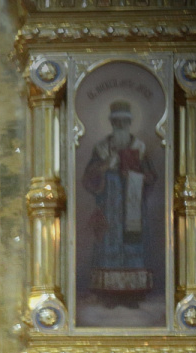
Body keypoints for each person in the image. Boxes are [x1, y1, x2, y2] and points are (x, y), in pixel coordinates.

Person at [82, 100, 159, 301]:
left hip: (133, 207)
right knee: (108, 243)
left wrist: (134, 175)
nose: (120, 125)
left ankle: (134, 294)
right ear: (111, 122)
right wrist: (104, 167)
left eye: (124, 121)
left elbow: (151, 177)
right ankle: (107, 294)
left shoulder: (140, 148)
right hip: (109, 206)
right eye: (116, 121)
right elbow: (88, 178)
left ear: (129, 123)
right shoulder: (101, 148)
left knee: (133, 245)